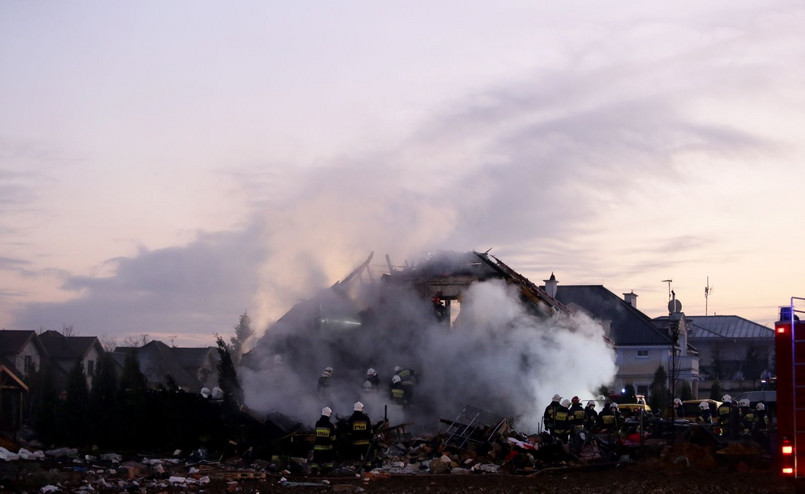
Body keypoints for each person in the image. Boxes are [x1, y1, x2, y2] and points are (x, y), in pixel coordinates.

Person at [311, 406, 336, 475]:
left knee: (315, 461)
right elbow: (333, 438)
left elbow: (316, 433)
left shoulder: (318, 423)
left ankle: (314, 472)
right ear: (329, 414)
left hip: (317, 446)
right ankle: (328, 472)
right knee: (328, 461)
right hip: (327, 447)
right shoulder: (330, 425)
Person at [349, 401, 372, 468]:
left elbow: (349, 431)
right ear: (362, 408)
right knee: (366, 457)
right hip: (365, 442)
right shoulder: (366, 418)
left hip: (355, 442)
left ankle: (357, 469)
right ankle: (368, 469)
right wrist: (370, 438)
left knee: (357, 457)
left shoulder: (352, 418)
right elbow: (370, 430)